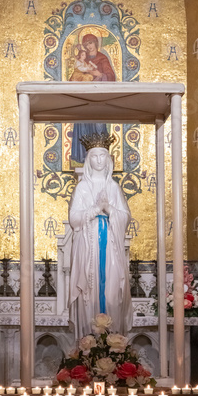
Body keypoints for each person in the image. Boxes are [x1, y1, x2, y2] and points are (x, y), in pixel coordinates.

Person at [68, 139, 133, 339]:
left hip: (111, 244)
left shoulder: (113, 187)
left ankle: (113, 340)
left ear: (108, 159)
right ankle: (89, 339)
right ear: (88, 159)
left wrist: (109, 209)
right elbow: (74, 219)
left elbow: (126, 216)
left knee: (113, 290)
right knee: (89, 290)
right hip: (88, 247)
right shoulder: (82, 188)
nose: (98, 160)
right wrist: (95, 209)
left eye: (102, 155)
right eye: (94, 156)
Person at [70, 33, 116, 164]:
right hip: (83, 100)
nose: (89, 46)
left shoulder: (102, 59)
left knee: (99, 126)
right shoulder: (81, 60)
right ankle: (84, 158)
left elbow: (111, 77)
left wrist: (100, 74)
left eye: (90, 43)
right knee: (83, 127)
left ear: (96, 43)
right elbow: (74, 76)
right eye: (86, 44)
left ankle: (102, 160)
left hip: (99, 100)